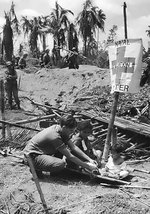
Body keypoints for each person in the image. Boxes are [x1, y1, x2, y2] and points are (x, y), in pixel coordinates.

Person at [23, 114, 98, 178]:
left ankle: (53, 172)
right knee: (60, 164)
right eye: (71, 130)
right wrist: (87, 166)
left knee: (62, 151)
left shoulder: (60, 129)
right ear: (65, 127)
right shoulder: (54, 136)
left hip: (41, 153)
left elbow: (73, 147)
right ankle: (36, 167)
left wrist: (89, 160)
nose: (72, 133)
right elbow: (69, 156)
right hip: (32, 156)